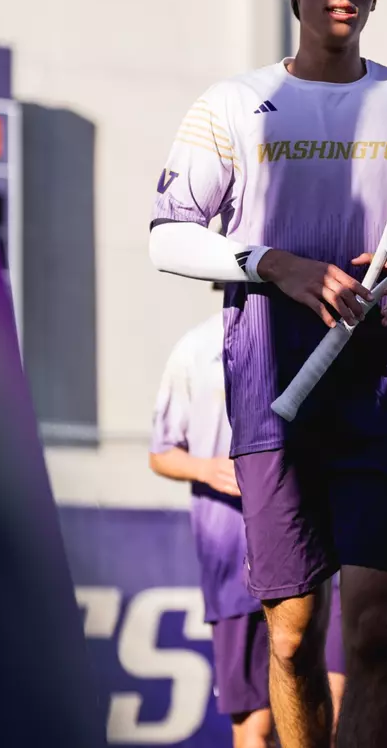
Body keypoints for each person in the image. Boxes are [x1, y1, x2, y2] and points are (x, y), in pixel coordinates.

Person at [149, 0, 387, 748]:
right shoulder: (233, 104)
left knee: (372, 636)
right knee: (289, 641)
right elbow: (168, 234)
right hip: (272, 392)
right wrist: (272, 263)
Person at [149, 307, 346, 748]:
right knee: (256, 725)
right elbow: (160, 451)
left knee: (333, 703)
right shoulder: (196, 348)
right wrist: (206, 468)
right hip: (231, 553)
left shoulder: (320, 331)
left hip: (312, 546)